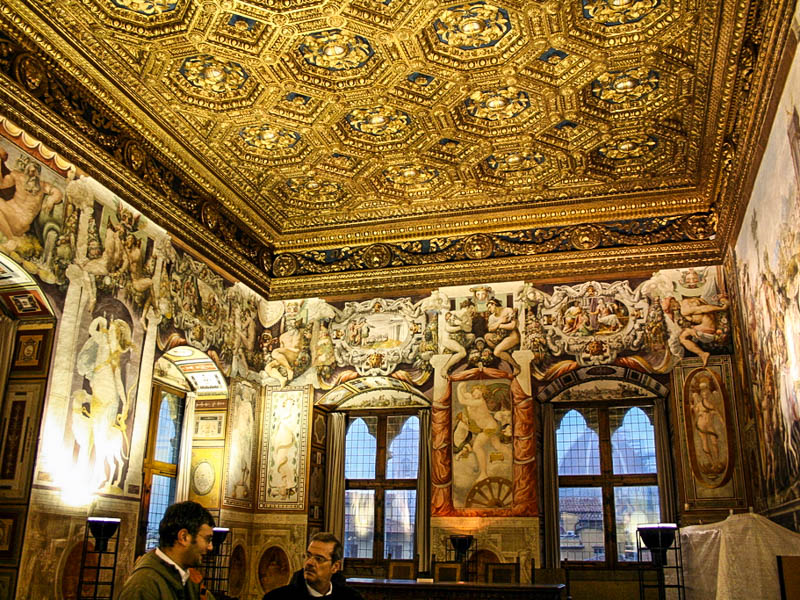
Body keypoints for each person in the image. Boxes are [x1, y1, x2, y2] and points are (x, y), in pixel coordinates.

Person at [119, 501, 216, 600]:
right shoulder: (143, 586)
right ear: (184, 537)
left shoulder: (190, 579)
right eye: (207, 539)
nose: (210, 547)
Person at [263, 532, 364, 600]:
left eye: (319, 559)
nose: (309, 563)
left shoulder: (353, 597)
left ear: (335, 566)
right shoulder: (275, 598)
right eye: (308, 556)